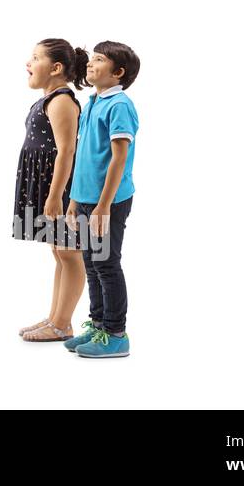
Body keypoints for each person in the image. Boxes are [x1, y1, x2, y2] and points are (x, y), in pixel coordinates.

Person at [63, 41, 141, 358]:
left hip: (107, 202)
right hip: (84, 199)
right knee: (91, 264)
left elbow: (118, 159)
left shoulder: (119, 104)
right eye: (92, 58)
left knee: (106, 265)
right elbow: (83, 156)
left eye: (99, 60)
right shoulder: (93, 100)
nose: (91, 64)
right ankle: (98, 325)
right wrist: (73, 199)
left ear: (118, 73)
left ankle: (116, 333)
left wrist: (103, 206)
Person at [13, 39, 88, 342]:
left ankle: (62, 324)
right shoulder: (50, 98)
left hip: (61, 185)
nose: (27, 64)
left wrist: (56, 195)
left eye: (35, 58)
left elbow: (67, 150)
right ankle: (55, 318)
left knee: (70, 253)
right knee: (60, 252)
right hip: (49, 182)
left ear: (56, 68)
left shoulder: (61, 101)